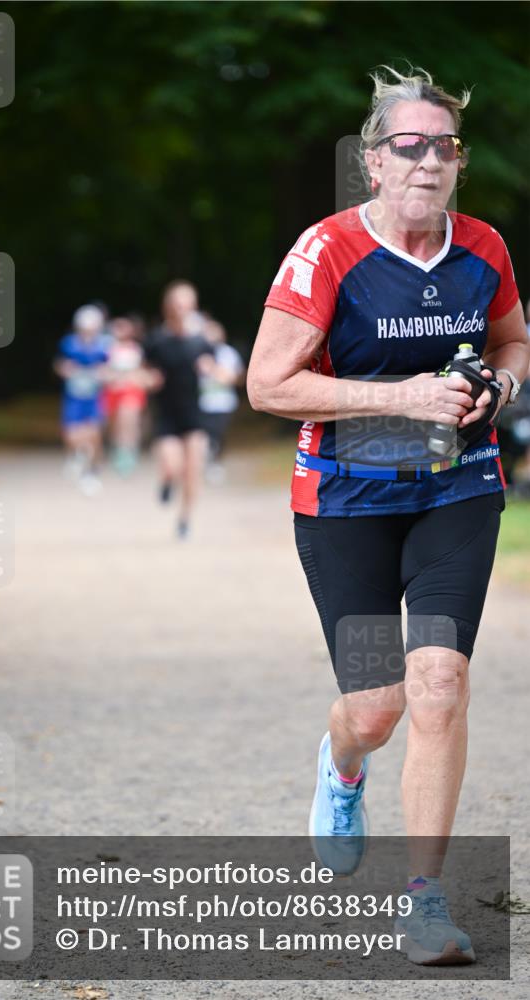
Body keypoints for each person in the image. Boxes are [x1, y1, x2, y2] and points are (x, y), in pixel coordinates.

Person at [247, 66, 529, 966]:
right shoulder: (327, 250)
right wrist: (402, 398)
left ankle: (425, 903)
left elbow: (513, 338)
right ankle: (341, 767)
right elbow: (267, 384)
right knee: (375, 708)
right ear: (372, 162)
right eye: (407, 146)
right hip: (346, 502)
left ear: (458, 163)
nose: (426, 162)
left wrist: (504, 384)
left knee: (439, 687)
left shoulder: (481, 246)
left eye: (442, 148)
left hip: (456, 491)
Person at [144, 281, 214, 538]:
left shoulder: (200, 341)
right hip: (167, 414)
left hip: (194, 414)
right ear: (168, 307)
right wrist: (149, 378)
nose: (182, 308)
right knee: (173, 465)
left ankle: (185, 519)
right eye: (177, 303)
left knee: (193, 470)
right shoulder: (156, 341)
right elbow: (144, 369)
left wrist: (211, 369)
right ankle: (166, 480)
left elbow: (216, 367)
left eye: (187, 304)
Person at [54, 304, 109, 496]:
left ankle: (92, 471)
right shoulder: (69, 344)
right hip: (74, 398)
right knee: (72, 435)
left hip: (94, 398)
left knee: (94, 435)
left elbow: (110, 369)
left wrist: (102, 374)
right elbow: (59, 365)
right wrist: (66, 370)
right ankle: (78, 455)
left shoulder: (103, 346)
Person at [198, 317, 245, 484]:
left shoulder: (228, 353)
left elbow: (236, 377)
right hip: (202, 402)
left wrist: (216, 371)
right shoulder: (197, 353)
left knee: (218, 434)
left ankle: (215, 462)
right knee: (205, 435)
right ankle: (207, 460)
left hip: (224, 402)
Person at [102, 316, 147, 476]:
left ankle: (129, 452)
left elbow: (142, 370)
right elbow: (103, 370)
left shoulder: (136, 349)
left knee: (129, 420)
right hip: (113, 391)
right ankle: (118, 450)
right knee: (116, 424)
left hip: (131, 390)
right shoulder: (107, 348)